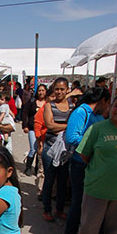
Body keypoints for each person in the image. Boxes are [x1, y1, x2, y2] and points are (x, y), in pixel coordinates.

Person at [71, 94, 117, 234]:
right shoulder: (97, 129)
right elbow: (84, 153)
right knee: (90, 222)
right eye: (116, 106)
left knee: (115, 226)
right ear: (110, 107)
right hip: (97, 186)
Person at [63, 87, 111, 234]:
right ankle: (70, 233)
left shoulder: (98, 116)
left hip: (96, 165)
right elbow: (71, 137)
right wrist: (94, 143)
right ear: (103, 100)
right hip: (80, 164)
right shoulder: (81, 113)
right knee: (79, 200)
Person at [41, 77, 72, 222]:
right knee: (49, 180)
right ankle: (47, 209)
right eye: (57, 89)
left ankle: (59, 210)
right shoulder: (49, 106)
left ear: (67, 90)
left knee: (62, 181)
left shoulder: (72, 105)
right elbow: (50, 125)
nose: (59, 92)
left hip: (65, 150)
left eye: (62, 89)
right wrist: (68, 126)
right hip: (50, 148)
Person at [22, 84, 47, 176]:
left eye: (43, 90)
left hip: (44, 130)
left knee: (40, 149)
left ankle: (37, 167)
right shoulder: (32, 101)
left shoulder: (48, 103)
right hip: (32, 128)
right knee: (33, 149)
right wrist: (25, 125)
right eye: (39, 90)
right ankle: (28, 167)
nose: (41, 92)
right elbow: (25, 113)